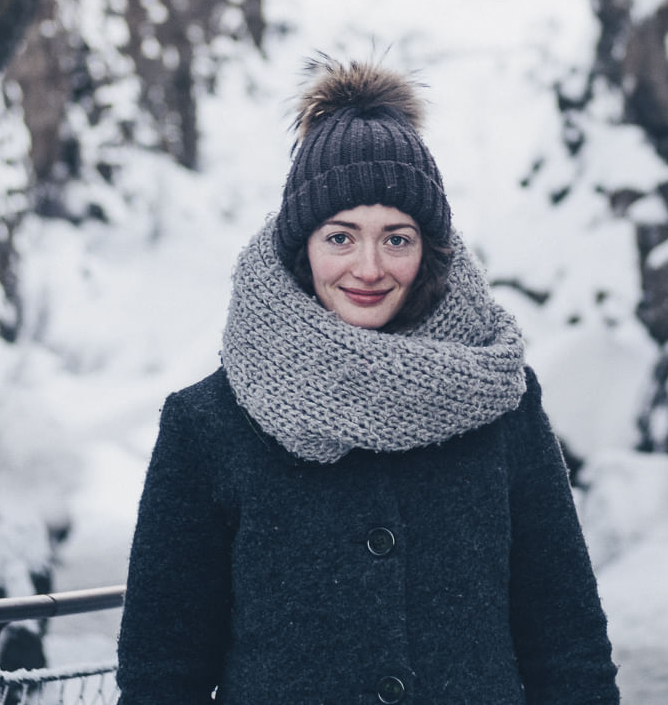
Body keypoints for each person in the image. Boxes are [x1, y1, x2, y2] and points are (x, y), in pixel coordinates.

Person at [115, 58, 621, 704]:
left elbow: (567, 644)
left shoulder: (502, 404)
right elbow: (163, 672)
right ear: (303, 245)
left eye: (397, 238)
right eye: (341, 236)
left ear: (431, 249)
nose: (369, 266)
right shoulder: (208, 425)